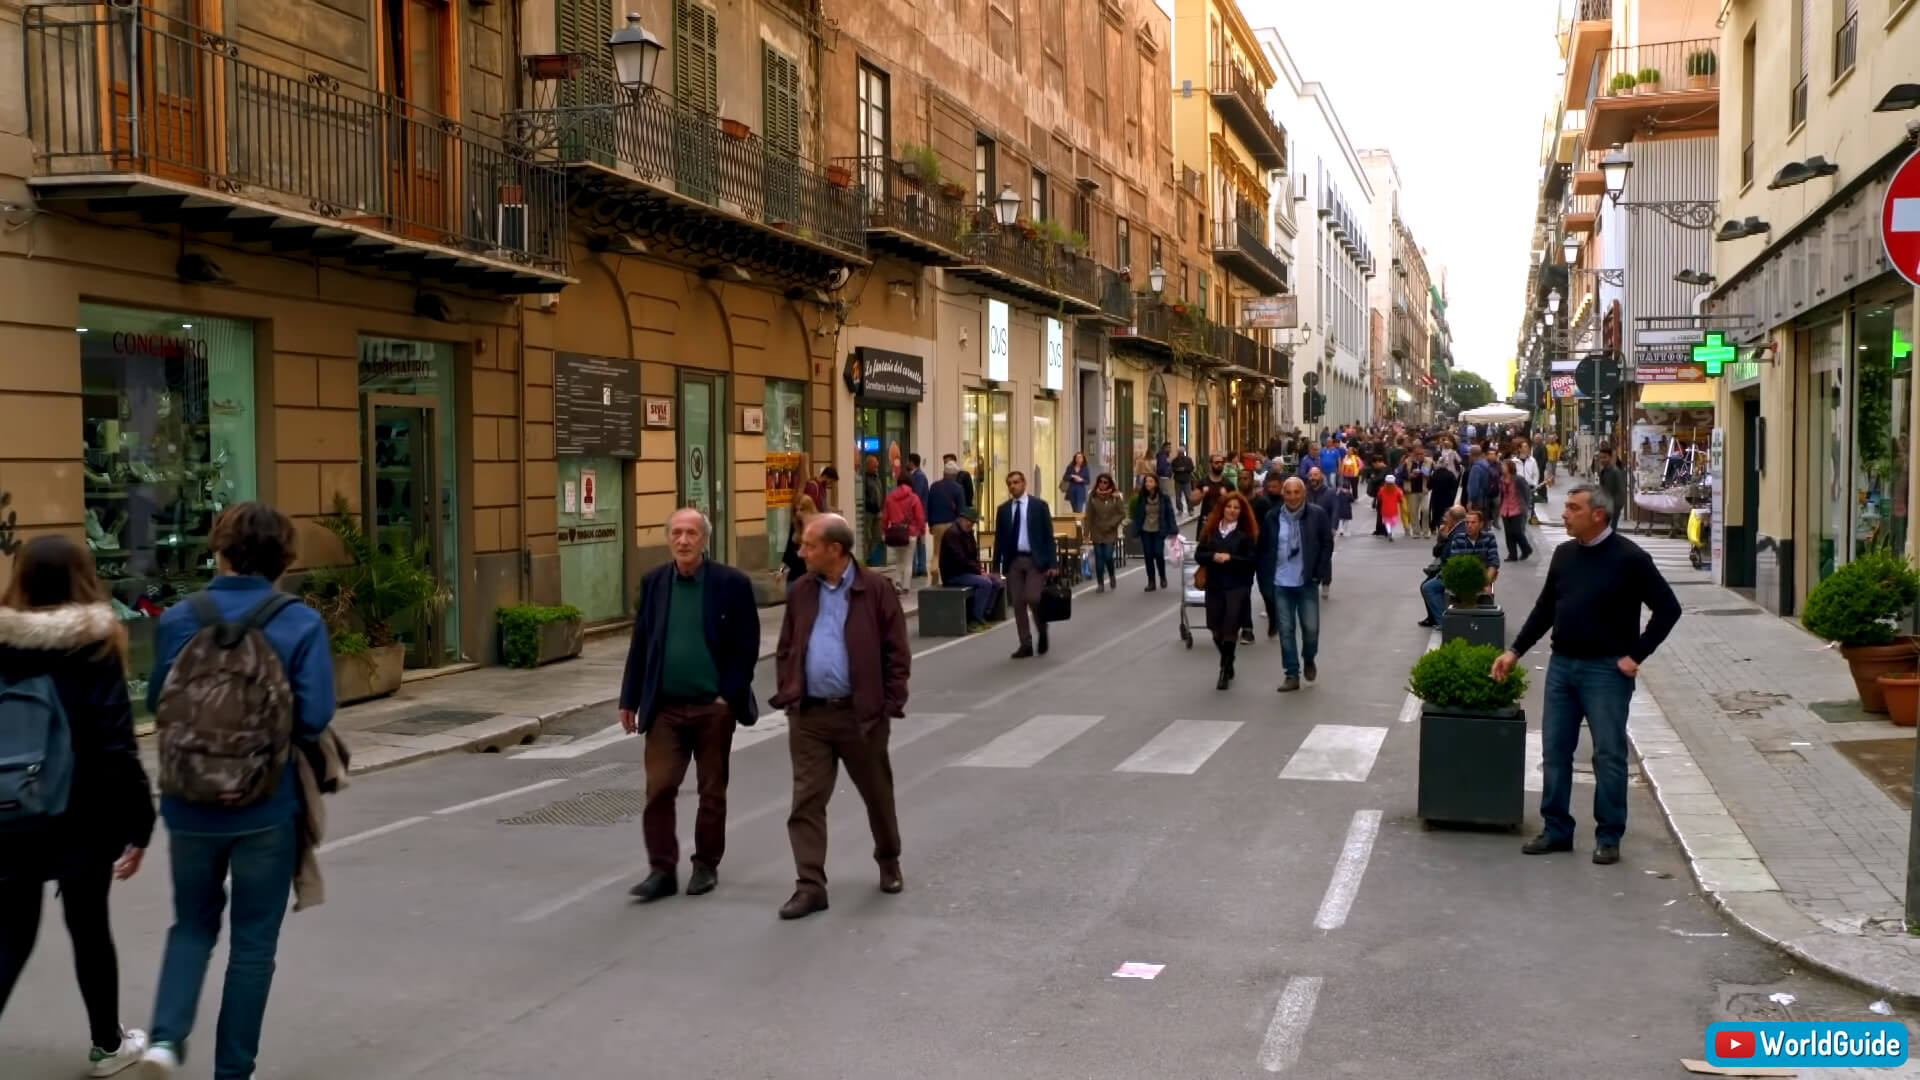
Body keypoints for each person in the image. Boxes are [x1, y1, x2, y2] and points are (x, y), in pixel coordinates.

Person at [140, 503, 335, 1078]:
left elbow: (157, 703)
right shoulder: (299, 622)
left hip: (188, 801)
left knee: (192, 924)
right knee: (253, 942)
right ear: (284, 560)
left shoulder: (180, 618)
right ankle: (233, 1072)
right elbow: (316, 715)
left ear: (219, 551)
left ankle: (165, 1040)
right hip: (265, 804)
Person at [0, 536, 155, 1076]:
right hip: (81, 814)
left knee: (10, 933)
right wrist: (140, 822)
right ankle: (107, 1045)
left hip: (8, 809)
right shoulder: (92, 645)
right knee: (89, 927)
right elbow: (116, 744)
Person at [1495, 485, 1682, 865]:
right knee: (1555, 751)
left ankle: (1609, 835)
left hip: (1606, 672)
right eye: (1566, 507)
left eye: (1573, 507)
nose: (1564, 513)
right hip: (1562, 666)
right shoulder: (1564, 555)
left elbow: (1668, 609)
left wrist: (1636, 655)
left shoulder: (1631, 558)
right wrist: (1515, 651)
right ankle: (1557, 829)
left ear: (1598, 515)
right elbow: (1546, 609)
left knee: (1608, 755)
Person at [770, 514, 909, 919]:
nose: (801, 551)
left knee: (876, 793)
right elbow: (786, 646)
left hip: (860, 715)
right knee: (806, 800)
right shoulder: (802, 590)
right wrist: (789, 686)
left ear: (835, 549)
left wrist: (888, 702)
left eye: (808, 545)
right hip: (810, 715)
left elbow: (896, 653)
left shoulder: (876, 590)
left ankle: (888, 859)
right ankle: (810, 885)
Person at [619, 508, 761, 904]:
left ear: (704, 540)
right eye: (677, 533)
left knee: (712, 790)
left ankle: (705, 866)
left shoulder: (730, 583)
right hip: (665, 708)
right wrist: (629, 698)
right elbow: (642, 643)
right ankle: (661, 870)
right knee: (659, 788)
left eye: (691, 533)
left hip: (712, 708)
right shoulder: (654, 583)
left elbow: (746, 645)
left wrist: (727, 697)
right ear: (668, 539)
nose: (683, 540)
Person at [1258, 478, 1334, 693]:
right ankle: (1291, 674)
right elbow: (1264, 549)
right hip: (1280, 583)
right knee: (1286, 630)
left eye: (1296, 492)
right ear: (1283, 494)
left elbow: (1326, 544)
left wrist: (1319, 573)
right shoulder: (1272, 517)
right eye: (1288, 492)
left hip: (1306, 582)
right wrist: (1265, 580)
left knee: (1311, 629)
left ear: (1304, 494)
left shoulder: (1317, 515)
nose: (1292, 497)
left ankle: (1309, 657)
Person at [993, 471, 1058, 659]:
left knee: (1033, 597)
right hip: (1013, 560)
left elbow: (1048, 536)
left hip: (1034, 559)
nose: (1013, 486)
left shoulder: (1039, 506)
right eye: (1010, 484)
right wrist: (996, 567)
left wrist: (1052, 563)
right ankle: (1025, 643)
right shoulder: (1003, 510)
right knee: (1018, 602)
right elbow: (1000, 539)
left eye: (1016, 482)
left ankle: (1042, 629)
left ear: (1024, 483)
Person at [1198, 492, 1259, 689]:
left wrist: (1231, 558)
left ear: (1241, 512)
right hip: (1215, 584)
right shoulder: (1211, 531)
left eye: (1236, 508)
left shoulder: (1246, 534)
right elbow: (1200, 554)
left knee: (1230, 627)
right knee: (1215, 629)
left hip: (1237, 585)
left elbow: (1251, 560)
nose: (1232, 511)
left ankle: (1224, 669)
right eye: (1229, 507)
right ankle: (1229, 658)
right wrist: (1214, 556)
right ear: (1222, 508)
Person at [1420, 507, 1501, 629]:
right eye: (1467, 522)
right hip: (1460, 576)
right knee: (1428, 587)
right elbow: (1456, 563)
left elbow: (1494, 563)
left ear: (1481, 524)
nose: (1469, 526)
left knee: (1481, 592)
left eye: (1473, 523)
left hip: (1482, 576)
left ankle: (1477, 621)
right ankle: (1445, 622)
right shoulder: (1459, 538)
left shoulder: (1489, 538)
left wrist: (1485, 582)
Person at [938, 508, 1001, 631]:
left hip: (966, 571)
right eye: (968, 521)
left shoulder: (968, 532)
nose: (970, 524)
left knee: (996, 581)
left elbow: (973, 555)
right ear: (961, 518)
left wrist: (980, 569)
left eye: (972, 523)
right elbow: (960, 559)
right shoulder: (952, 533)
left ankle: (984, 614)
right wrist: (978, 571)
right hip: (954, 573)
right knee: (985, 583)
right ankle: (975, 619)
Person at [880, 472, 925, 596]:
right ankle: (906, 586)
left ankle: (897, 583)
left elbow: (885, 517)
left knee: (898, 560)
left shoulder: (890, 497)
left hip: (895, 532)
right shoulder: (914, 497)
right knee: (908, 561)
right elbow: (920, 517)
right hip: (910, 532)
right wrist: (921, 531)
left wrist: (883, 530)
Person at [1131, 473, 1174, 593]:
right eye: (1146, 482)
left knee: (1158, 553)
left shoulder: (1163, 498)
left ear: (1155, 483)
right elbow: (1138, 515)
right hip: (1146, 530)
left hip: (1159, 529)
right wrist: (1135, 530)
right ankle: (1151, 581)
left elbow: (1169, 513)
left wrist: (1173, 529)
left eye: (1150, 481)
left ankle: (1162, 576)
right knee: (1148, 555)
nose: (1148, 484)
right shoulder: (1142, 497)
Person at [925, 462, 967, 586]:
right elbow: (962, 510)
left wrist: (931, 524)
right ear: (954, 475)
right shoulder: (958, 488)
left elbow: (929, 505)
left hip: (937, 524)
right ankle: (950, 577)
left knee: (937, 552)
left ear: (944, 473)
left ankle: (934, 573)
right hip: (952, 525)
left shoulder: (934, 486)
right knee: (952, 552)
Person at [1083, 473, 1126, 593]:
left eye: (1105, 482)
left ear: (1109, 484)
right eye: (1100, 481)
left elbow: (1121, 513)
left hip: (1110, 532)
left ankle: (1112, 575)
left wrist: (1112, 524)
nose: (1102, 484)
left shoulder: (1115, 497)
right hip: (1097, 531)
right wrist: (1086, 533)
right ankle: (1100, 583)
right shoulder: (1093, 496)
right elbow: (1089, 516)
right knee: (1099, 558)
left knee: (1108, 556)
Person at [780, 494, 819, 593]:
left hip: (811, 578)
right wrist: (781, 571)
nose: (798, 513)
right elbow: (788, 553)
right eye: (796, 510)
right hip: (794, 577)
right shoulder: (795, 527)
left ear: (810, 509)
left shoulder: (819, 527)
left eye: (802, 509)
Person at [1499, 459, 1534, 563]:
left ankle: (1526, 549)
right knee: (1508, 533)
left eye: (1504, 466)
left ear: (1510, 467)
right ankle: (1512, 554)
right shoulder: (1501, 479)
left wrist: (1526, 506)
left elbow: (1526, 493)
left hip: (1517, 508)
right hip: (1505, 509)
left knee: (1516, 531)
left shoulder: (1518, 479)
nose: (1502, 468)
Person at [908, 453, 931, 580]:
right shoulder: (917, 476)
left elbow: (916, 495)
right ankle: (919, 567)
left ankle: (920, 568)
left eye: (908, 461)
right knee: (918, 541)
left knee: (919, 542)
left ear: (912, 462)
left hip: (918, 515)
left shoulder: (919, 477)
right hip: (919, 514)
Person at [1597, 447, 1631, 529]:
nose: (1602, 460)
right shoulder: (1604, 471)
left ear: (1610, 457)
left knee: (1610, 528)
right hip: (1605, 504)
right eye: (1600, 458)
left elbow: (1621, 489)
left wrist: (1617, 505)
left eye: (1605, 457)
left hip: (1613, 505)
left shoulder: (1615, 472)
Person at [860, 455, 885, 562]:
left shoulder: (877, 477)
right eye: (874, 466)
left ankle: (871, 556)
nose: (876, 468)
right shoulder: (864, 479)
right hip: (868, 512)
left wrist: (881, 507)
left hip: (877, 511)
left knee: (877, 536)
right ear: (868, 465)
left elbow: (880, 492)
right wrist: (871, 505)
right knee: (867, 536)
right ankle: (865, 557)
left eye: (877, 466)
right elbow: (863, 496)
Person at [1377, 473, 1404, 541]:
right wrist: (1400, 500)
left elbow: (1379, 497)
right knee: (1393, 522)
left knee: (1387, 522)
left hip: (1385, 508)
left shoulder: (1382, 489)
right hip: (1393, 509)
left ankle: (1389, 532)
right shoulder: (1397, 490)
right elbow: (1400, 497)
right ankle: (1391, 533)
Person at [1171, 446, 1196, 515]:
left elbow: (1191, 468)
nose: (1181, 454)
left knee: (1188, 496)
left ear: (1184, 452)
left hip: (1186, 480)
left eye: (1182, 453)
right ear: (1178, 453)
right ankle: (1180, 509)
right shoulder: (1174, 460)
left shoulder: (1188, 460)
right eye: (1179, 453)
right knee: (1178, 497)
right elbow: (1172, 469)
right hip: (1178, 480)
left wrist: (1184, 469)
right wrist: (1177, 469)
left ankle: (1190, 510)